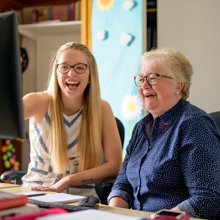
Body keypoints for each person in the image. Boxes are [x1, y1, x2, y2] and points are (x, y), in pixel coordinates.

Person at [108, 48, 220, 219]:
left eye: (153, 78)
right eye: (141, 78)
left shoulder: (194, 125)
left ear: (178, 86)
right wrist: (114, 214)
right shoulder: (141, 127)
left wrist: (157, 218)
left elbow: (207, 199)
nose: (144, 85)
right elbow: (123, 184)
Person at [21, 42, 122, 196]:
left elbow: (114, 165)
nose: (71, 74)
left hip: (81, 198)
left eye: (80, 67)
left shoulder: (102, 109)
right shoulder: (37, 101)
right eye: (64, 67)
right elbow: (7, 119)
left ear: (90, 76)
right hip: (35, 193)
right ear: (56, 73)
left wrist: (68, 180)